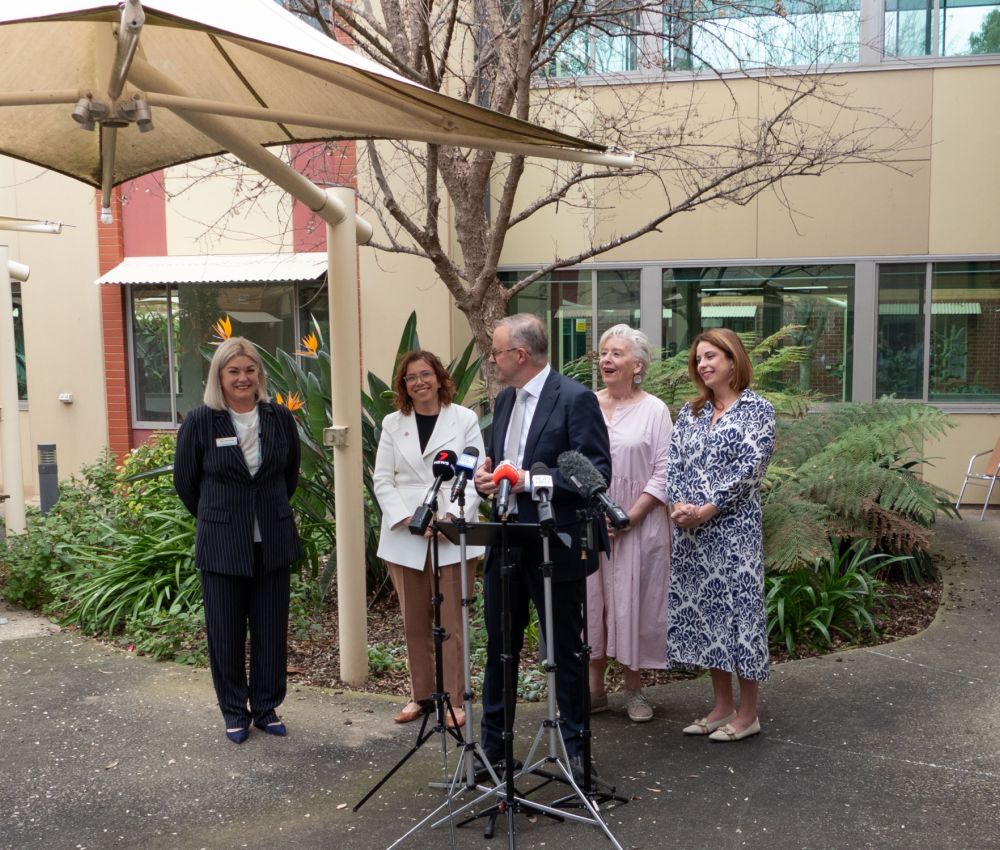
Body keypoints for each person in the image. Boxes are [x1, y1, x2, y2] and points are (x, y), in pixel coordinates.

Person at [474, 314, 611, 775]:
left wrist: (528, 479)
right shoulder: (505, 402)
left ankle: (576, 749)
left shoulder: (574, 398)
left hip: (554, 544)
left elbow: (594, 472)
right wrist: (487, 482)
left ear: (521, 354)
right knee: (500, 648)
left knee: (563, 649)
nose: (490, 360)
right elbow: (501, 467)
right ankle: (494, 748)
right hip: (506, 538)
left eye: (495, 352)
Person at [173, 337, 302, 744]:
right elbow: (186, 482)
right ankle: (233, 710)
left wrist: (261, 512)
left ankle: (265, 707)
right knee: (225, 632)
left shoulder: (280, 419)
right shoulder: (200, 421)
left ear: (259, 374)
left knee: (270, 630)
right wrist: (223, 519)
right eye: (234, 371)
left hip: (272, 540)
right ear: (220, 376)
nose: (243, 378)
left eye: (249, 370)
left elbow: (289, 477)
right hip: (223, 543)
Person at [665, 328, 775, 742]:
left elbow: (751, 469)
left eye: (711, 356)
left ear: (733, 360)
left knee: (740, 617)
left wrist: (707, 509)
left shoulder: (758, 411)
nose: (703, 364)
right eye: (699, 359)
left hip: (734, 531)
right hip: (691, 534)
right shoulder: (689, 412)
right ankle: (721, 706)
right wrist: (677, 506)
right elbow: (673, 463)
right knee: (708, 616)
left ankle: (748, 714)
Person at [373, 350, 485, 728]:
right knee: (414, 622)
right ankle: (421, 694)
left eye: (425, 374)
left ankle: (454, 699)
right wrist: (408, 519)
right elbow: (382, 480)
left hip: (452, 533)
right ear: (403, 386)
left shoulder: (464, 419)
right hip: (407, 533)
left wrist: (452, 518)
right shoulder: (392, 423)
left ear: (439, 378)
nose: (419, 382)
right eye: (410, 377)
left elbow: (474, 477)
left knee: (451, 621)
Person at [587, 325, 672, 723]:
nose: (607, 359)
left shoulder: (655, 409)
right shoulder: (586, 404)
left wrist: (627, 517)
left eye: (617, 353)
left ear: (637, 366)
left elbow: (664, 471)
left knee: (632, 602)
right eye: (604, 352)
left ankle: (634, 690)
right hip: (591, 521)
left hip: (639, 522)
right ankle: (594, 690)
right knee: (592, 601)